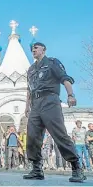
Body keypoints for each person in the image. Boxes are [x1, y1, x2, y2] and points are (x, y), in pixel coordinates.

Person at [23, 42, 86, 182]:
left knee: (59, 134)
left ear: (43, 50)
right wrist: (27, 107)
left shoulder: (52, 63)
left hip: (50, 101)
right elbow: (29, 89)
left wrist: (70, 95)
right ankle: (36, 169)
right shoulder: (31, 69)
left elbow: (65, 78)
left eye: (36, 47)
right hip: (35, 104)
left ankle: (77, 168)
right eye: (32, 48)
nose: (33, 49)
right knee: (32, 136)